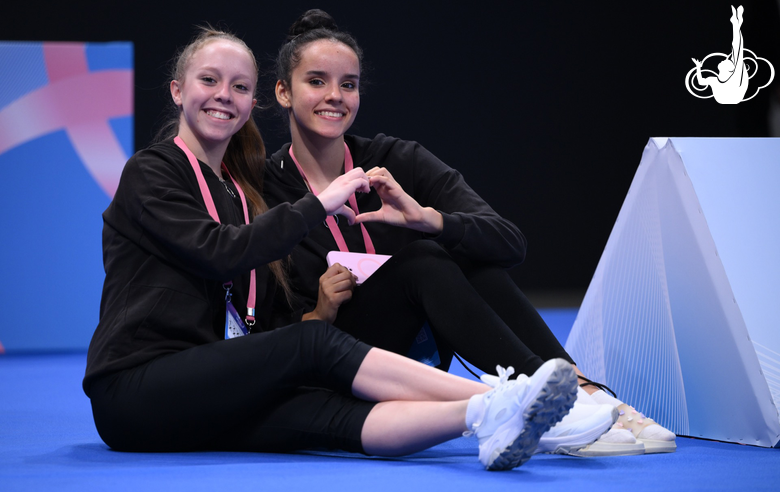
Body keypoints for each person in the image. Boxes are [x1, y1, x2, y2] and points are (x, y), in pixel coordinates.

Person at [81, 26, 589, 472]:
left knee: (325, 415)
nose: (224, 96)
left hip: (212, 381)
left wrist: (425, 221)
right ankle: (508, 400)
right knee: (312, 348)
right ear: (177, 90)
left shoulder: (240, 191)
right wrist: (320, 205)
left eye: (239, 86)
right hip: (136, 387)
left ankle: (488, 418)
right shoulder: (152, 170)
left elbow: (253, 314)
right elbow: (219, 252)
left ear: (254, 101)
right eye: (208, 80)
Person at [263, 9, 676, 456]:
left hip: (415, 350)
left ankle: (579, 389)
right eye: (317, 81)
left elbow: (508, 242)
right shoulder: (262, 187)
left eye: (349, 84)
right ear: (284, 91)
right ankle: (555, 402)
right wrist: (319, 313)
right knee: (423, 262)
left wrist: (430, 220)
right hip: (339, 364)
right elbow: (261, 331)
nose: (335, 97)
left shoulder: (395, 160)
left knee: (460, 251)